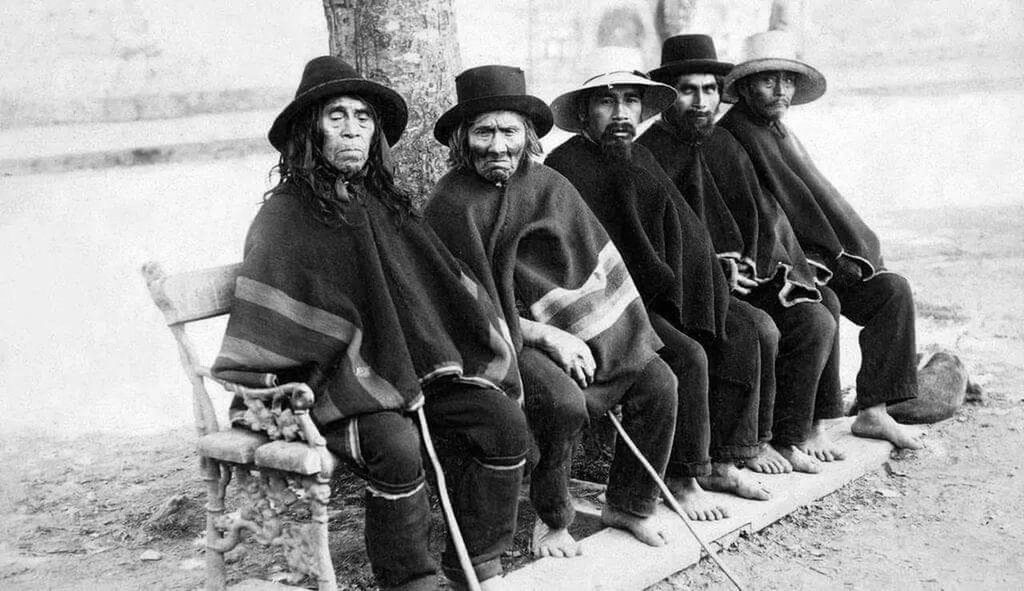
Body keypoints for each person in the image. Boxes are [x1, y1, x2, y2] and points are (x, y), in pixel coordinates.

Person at [211, 56, 530, 591]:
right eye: (336, 116)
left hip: (406, 373)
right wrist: (358, 367)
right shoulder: (283, 218)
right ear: (309, 130)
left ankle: (475, 561)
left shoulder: (385, 204)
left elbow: (435, 287)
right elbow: (278, 332)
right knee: (396, 446)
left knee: (502, 423)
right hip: (326, 390)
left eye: (363, 117)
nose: (353, 128)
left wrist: (441, 346)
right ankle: (410, 580)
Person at [425, 65, 679, 557]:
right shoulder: (450, 204)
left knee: (659, 382)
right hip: (498, 338)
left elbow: (591, 265)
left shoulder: (549, 184)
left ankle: (629, 504)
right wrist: (546, 337)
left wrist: (585, 334)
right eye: (484, 131)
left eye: (509, 130)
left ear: (528, 135)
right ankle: (554, 518)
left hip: (567, 324)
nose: (498, 145)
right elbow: (458, 308)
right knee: (563, 403)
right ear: (463, 138)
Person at [545, 69, 778, 515]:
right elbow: (574, 262)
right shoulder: (566, 169)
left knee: (749, 328)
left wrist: (705, 284)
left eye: (631, 101)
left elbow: (681, 231)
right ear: (583, 112)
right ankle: (681, 474)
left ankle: (724, 459)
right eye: (606, 102)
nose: (620, 114)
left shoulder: (637, 156)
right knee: (688, 356)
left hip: (656, 293)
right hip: (608, 306)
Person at [640, 34, 841, 472]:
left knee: (815, 318)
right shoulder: (648, 154)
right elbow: (654, 243)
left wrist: (765, 269)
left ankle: (790, 436)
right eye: (688, 90)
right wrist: (712, 270)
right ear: (668, 95)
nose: (700, 101)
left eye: (709, 89)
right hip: (687, 289)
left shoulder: (724, 144)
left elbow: (761, 218)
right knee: (762, 329)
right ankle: (742, 448)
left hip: (745, 278)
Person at [718, 31, 922, 449]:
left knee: (892, 292)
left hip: (814, 255)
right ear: (743, 87)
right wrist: (809, 262)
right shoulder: (733, 137)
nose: (781, 91)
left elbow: (816, 203)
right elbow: (760, 216)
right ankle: (811, 423)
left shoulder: (780, 132)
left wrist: (842, 252)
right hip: (778, 262)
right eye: (768, 80)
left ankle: (873, 411)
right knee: (821, 300)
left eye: (787, 81)